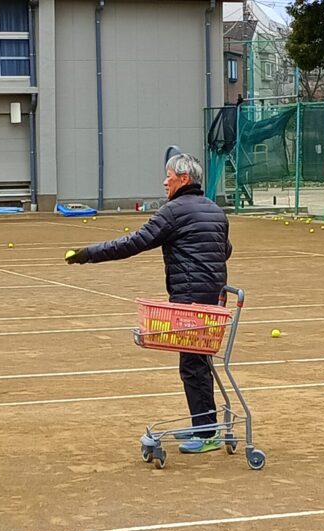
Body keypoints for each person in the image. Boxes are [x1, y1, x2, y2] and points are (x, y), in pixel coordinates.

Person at [65, 152, 232, 454]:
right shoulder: (215, 210)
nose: (165, 181)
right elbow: (225, 250)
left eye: (169, 176)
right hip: (214, 297)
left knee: (193, 365)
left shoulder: (173, 211)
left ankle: (207, 433)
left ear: (184, 179)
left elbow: (134, 242)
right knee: (197, 362)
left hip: (189, 298)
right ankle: (204, 425)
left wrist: (89, 254)